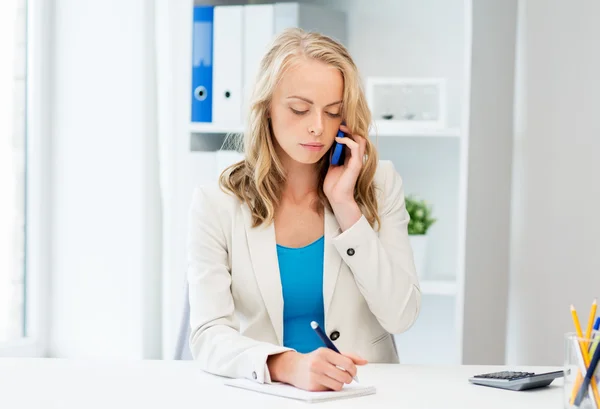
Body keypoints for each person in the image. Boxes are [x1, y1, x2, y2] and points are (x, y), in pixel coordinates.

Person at [186, 27, 421, 392]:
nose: (317, 128)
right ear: (266, 108)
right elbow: (208, 333)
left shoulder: (379, 184)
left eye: (332, 113)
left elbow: (400, 315)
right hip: (267, 393)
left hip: (362, 395)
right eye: (299, 109)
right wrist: (286, 365)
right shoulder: (217, 203)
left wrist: (346, 206)